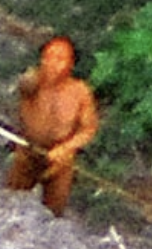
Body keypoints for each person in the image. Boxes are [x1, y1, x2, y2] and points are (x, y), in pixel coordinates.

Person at [7, 35, 99, 216]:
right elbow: (24, 86)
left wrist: (65, 148)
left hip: (60, 161)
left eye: (59, 59)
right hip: (27, 152)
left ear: (71, 64)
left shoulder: (80, 92)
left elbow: (88, 129)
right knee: (11, 203)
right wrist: (29, 78)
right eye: (48, 57)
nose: (52, 63)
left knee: (53, 212)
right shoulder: (34, 82)